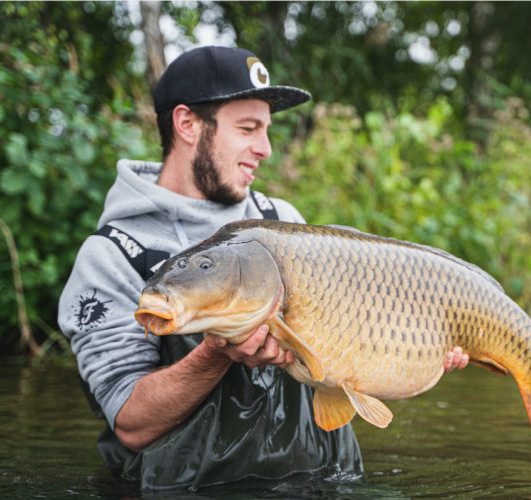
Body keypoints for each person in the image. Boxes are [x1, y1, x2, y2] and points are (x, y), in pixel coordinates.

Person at [58, 45, 470, 492]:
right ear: (188, 124)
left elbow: (351, 356)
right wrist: (216, 352)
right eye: (248, 128)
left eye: (267, 130)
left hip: (319, 480)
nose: (266, 149)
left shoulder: (283, 220)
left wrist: (421, 346)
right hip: (189, 489)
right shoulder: (113, 255)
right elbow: (131, 423)